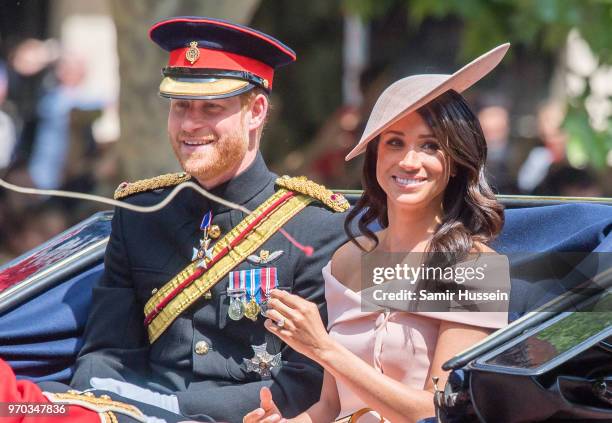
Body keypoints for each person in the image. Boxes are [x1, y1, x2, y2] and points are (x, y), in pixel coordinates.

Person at [53, 17, 349, 423]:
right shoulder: (139, 213)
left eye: (211, 108)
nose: (190, 125)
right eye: (180, 107)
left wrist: (171, 411)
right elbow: (106, 353)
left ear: (256, 111)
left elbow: (305, 381)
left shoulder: (316, 226)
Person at [244, 44, 511, 423]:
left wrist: (323, 348)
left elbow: (436, 409)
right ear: (376, 157)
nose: (408, 161)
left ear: (454, 162)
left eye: (430, 146)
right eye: (395, 143)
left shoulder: (472, 266)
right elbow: (331, 407)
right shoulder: (347, 261)